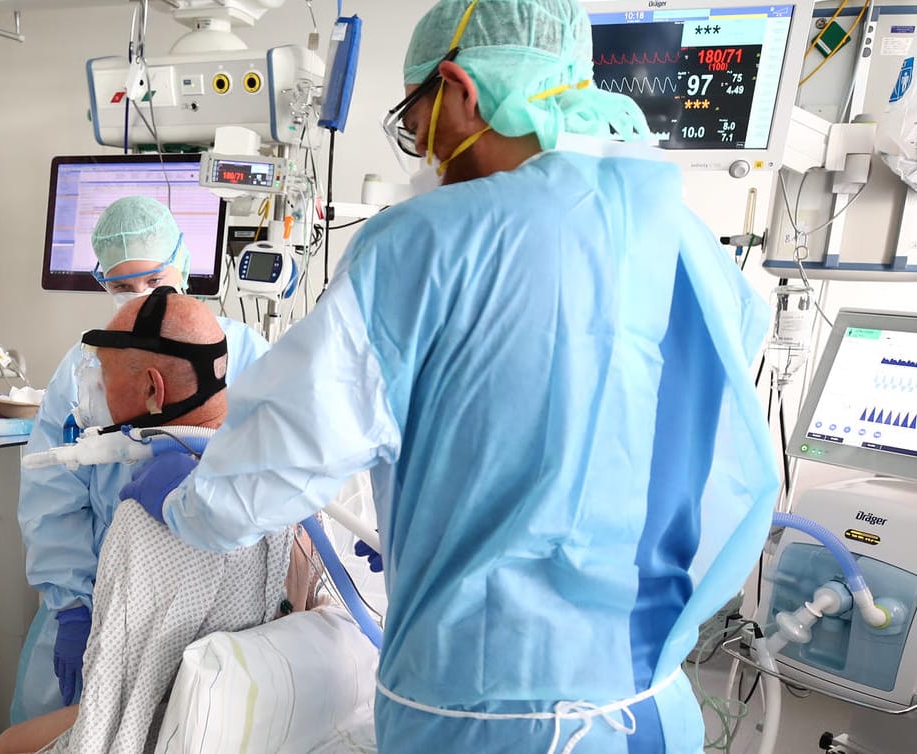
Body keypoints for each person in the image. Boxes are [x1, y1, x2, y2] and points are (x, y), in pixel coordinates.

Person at [119, 1, 780, 752]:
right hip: (654, 708)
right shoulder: (690, 241)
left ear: (462, 92)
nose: (421, 152)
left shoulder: (426, 244)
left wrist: (183, 506)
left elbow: (262, 477)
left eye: (414, 120)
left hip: (490, 722)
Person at [0, 289, 317, 754]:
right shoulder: (282, 492)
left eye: (101, 378)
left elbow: (112, 703)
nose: (92, 394)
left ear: (152, 389)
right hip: (254, 720)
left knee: (9, 745)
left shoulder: (143, 523)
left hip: (167, 725)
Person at [10, 196, 270, 723]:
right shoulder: (86, 368)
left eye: (154, 281)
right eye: (123, 287)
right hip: (103, 591)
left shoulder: (245, 354)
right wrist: (74, 609)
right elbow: (53, 495)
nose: (141, 298)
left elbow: (284, 483)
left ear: (184, 265)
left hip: (218, 603)